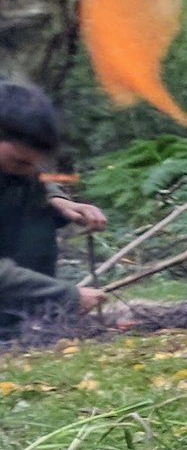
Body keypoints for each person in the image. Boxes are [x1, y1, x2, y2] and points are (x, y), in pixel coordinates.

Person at [0, 78, 112, 336]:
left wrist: (57, 200)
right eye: (20, 162)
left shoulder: (14, 168)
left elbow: (32, 179)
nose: (31, 171)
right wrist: (66, 295)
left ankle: (23, 322)